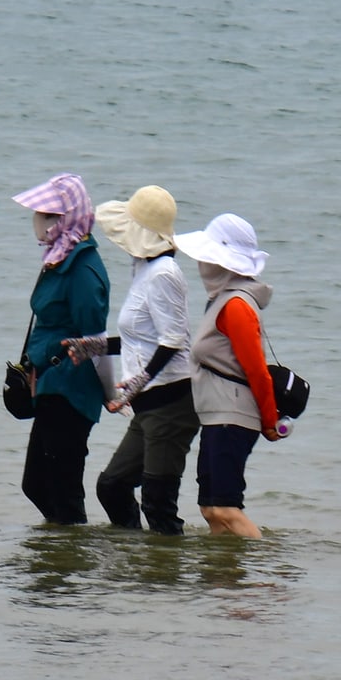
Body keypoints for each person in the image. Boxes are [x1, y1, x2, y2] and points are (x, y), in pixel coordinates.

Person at [61, 185, 200, 536]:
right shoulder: (144, 268)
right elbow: (142, 339)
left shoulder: (164, 274)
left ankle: (167, 583)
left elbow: (174, 340)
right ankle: (137, 562)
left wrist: (140, 380)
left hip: (172, 403)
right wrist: (93, 346)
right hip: (148, 406)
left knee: (158, 502)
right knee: (112, 486)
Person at [12, 173, 114, 525]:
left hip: (71, 390)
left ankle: (69, 570)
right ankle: (58, 560)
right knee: (36, 485)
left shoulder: (83, 270)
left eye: (45, 215)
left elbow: (96, 340)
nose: (37, 222)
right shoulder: (59, 260)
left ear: (63, 219)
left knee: (62, 487)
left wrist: (111, 392)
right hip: (51, 384)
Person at [176, 212, 284, 539]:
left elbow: (257, 370)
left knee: (225, 507)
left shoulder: (236, 305)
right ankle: (222, 583)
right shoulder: (221, 301)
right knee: (210, 509)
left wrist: (269, 420)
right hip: (217, 415)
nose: (201, 265)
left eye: (208, 258)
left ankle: (267, 568)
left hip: (234, 417)